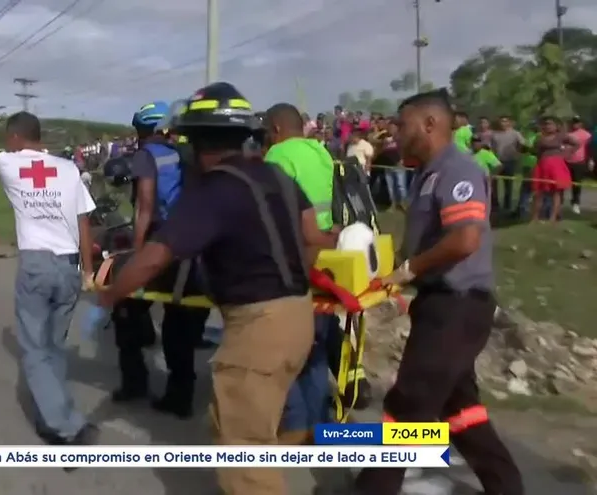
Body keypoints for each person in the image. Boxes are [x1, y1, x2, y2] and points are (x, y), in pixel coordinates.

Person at [97, 82, 322, 494]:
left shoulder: (213, 189)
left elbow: (154, 257)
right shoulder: (276, 174)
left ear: (198, 142)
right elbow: (312, 234)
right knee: (257, 420)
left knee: (242, 450)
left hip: (259, 325)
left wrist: (111, 293)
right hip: (299, 312)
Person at [351, 90, 523, 495]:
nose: (396, 132)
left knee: (408, 406)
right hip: (442, 305)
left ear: (429, 124)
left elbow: (464, 239)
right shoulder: (429, 172)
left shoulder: (456, 170)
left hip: (457, 307)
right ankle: (506, 487)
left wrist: (410, 269)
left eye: (403, 124)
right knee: (461, 411)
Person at [0, 112, 99, 449]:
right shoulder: (69, 169)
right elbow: (84, 223)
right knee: (53, 347)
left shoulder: (6, 164)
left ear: (13, 138)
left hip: (36, 264)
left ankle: (67, 425)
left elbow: (3, 156)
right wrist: (88, 270)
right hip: (69, 265)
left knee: (35, 351)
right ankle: (49, 420)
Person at [108, 100, 210, 418]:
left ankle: (135, 381)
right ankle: (181, 394)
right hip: (192, 245)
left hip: (161, 242)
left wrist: (137, 257)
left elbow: (145, 208)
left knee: (126, 306)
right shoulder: (184, 152)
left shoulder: (145, 156)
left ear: (144, 130)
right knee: (179, 322)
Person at [262, 103, 339, 446]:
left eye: (266, 128)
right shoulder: (319, 150)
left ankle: (294, 423)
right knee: (316, 347)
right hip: (326, 253)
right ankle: (319, 423)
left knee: (282, 347)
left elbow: (274, 214)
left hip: (293, 257)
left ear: (276, 128)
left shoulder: (277, 156)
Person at [531, 116, 577, 223]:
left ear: (556, 126)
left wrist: (567, 154)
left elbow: (576, 143)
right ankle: (535, 217)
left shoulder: (561, 137)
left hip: (556, 165)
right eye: (546, 124)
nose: (548, 126)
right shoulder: (540, 138)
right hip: (542, 165)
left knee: (556, 192)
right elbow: (535, 151)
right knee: (538, 192)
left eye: (550, 124)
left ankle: (553, 217)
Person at [489, 116, 526, 213]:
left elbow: (522, 144)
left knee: (508, 184)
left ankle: (507, 206)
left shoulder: (515, 133)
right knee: (493, 184)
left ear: (509, 122)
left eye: (505, 121)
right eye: (501, 121)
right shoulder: (494, 134)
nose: (503, 123)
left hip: (510, 161)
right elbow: (491, 147)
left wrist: (517, 153)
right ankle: (495, 204)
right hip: (496, 161)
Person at [566, 116, 592, 214]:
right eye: (573, 122)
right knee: (561, 182)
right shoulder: (567, 134)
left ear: (580, 124)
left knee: (577, 183)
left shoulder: (586, 135)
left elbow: (589, 148)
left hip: (579, 161)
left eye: (577, 122)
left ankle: (576, 203)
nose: (575, 124)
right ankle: (558, 202)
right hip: (566, 161)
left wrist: (590, 160)